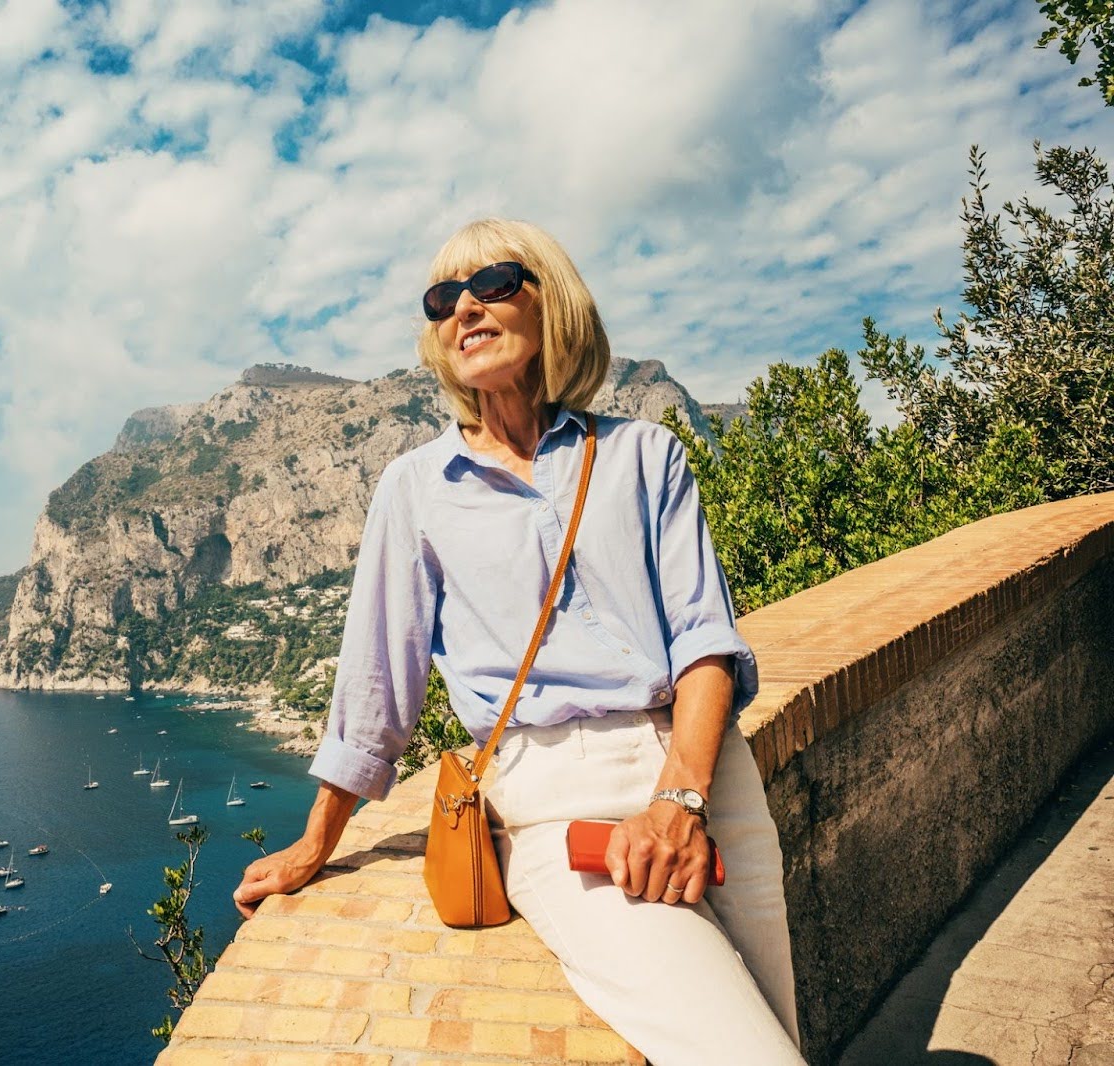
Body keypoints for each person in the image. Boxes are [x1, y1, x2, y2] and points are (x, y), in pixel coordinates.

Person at [232, 218, 804, 1065]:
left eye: (493, 283)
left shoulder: (645, 455)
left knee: (779, 1029)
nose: (464, 308)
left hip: (711, 785)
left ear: (551, 302)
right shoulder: (415, 489)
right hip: (561, 804)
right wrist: (316, 843)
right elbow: (376, 688)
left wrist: (682, 799)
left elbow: (702, 639)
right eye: (442, 299)